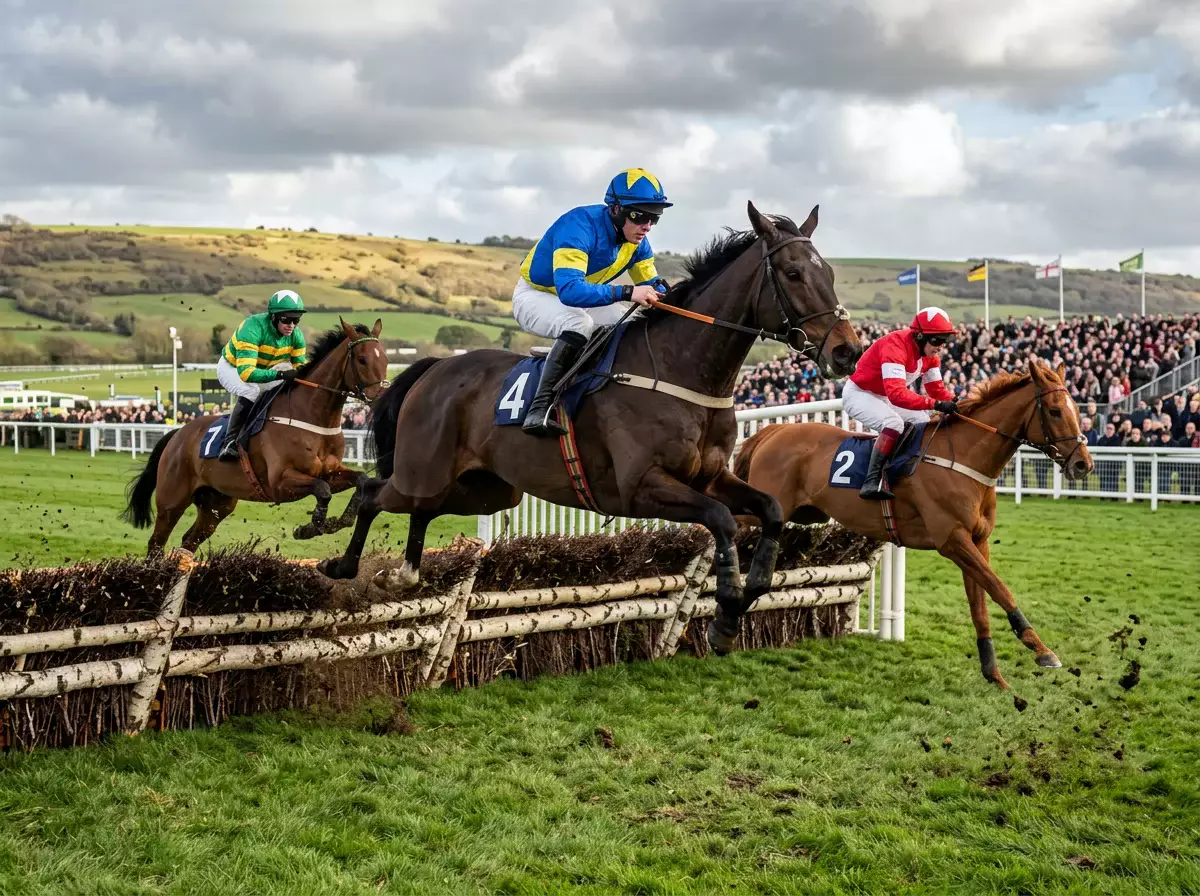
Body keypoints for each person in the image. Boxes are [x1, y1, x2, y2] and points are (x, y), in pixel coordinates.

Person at [511, 168, 673, 436]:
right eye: (640, 215)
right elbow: (570, 292)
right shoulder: (578, 226)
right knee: (578, 322)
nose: (647, 225)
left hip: (583, 296)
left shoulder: (638, 243)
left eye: (655, 217)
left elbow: (653, 283)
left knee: (633, 322)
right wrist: (626, 292)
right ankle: (539, 408)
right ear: (616, 209)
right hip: (537, 295)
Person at [842, 306, 959, 500]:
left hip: (883, 395)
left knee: (922, 420)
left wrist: (956, 404)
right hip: (859, 394)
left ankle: (909, 469)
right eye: (937, 340)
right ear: (920, 336)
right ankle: (872, 481)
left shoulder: (931, 358)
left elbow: (937, 390)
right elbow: (897, 394)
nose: (941, 347)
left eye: (945, 341)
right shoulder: (895, 345)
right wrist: (936, 405)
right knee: (893, 423)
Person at [215, 289, 307, 460]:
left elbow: (301, 369)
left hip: (264, 369)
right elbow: (247, 373)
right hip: (232, 368)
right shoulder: (252, 328)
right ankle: (229, 443)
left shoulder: (297, 336)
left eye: (296, 320)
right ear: (273, 316)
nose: (291, 325)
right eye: (287, 319)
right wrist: (280, 375)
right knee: (251, 391)